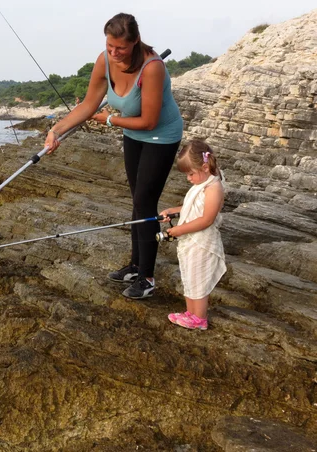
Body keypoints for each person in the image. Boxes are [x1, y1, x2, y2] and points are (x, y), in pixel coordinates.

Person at [44, 12, 183, 299]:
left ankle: (147, 277)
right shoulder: (105, 60)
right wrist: (56, 129)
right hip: (133, 134)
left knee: (145, 201)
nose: (113, 52)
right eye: (109, 46)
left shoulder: (152, 67)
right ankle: (135, 265)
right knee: (137, 199)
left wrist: (109, 120)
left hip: (161, 135)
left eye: (119, 47)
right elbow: (88, 105)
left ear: (134, 42)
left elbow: (149, 121)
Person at [158, 140, 226, 330]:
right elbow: (192, 208)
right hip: (191, 240)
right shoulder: (202, 182)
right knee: (189, 275)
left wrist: (179, 229)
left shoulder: (213, 188)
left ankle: (200, 319)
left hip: (202, 241)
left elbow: (206, 219)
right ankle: (190, 313)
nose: (188, 178)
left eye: (190, 174)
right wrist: (173, 211)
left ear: (205, 166)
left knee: (199, 278)